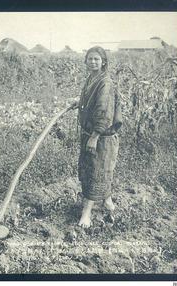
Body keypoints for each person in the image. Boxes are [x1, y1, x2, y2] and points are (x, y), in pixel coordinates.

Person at [70, 46, 121, 228]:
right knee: (95, 170)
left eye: (97, 59)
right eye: (90, 59)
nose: (93, 62)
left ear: (103, 62)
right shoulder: (92, 79)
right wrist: (80, 103)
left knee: (96, 172)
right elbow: (92, 101)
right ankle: (107, 202)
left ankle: (87, 214)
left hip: (101, 137)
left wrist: (95, 136)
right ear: (86, 61)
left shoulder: (105, 82)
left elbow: (104, 111)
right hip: (90, 134)